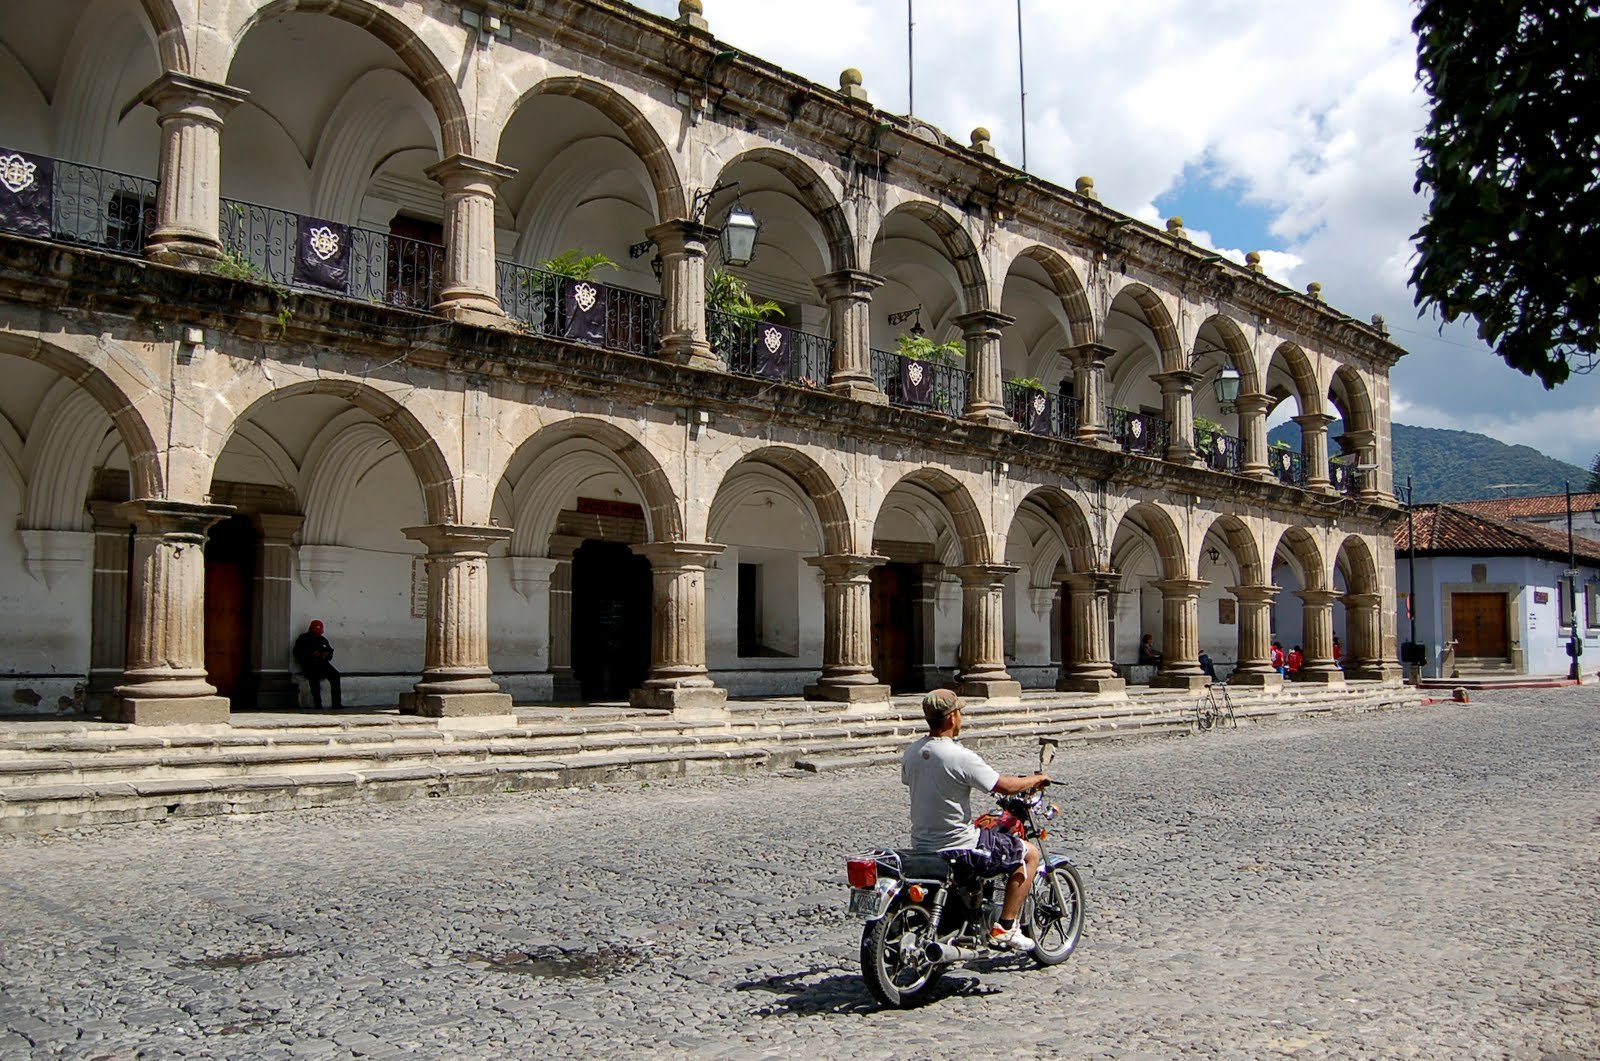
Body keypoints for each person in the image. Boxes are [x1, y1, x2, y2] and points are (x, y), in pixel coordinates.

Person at [902, 688, 1050, 952]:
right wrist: (1035, 780)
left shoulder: (912, 752)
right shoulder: (959, 756)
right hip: (959, 845)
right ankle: (1006, 927)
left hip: (922, 844)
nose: (961, 717)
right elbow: (1001, 785)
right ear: (951, 718)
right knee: (1029, 855)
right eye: (959, 712)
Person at [292, 619, 342, 710]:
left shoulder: (322, 639)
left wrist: (326, 654)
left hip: (323, 664)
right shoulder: (303, 638)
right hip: (310, 665)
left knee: (335, 675)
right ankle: (318, 704)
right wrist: (311, 654)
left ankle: (337, 703)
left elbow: (329, 652)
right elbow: (297, 653)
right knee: (314, 678)